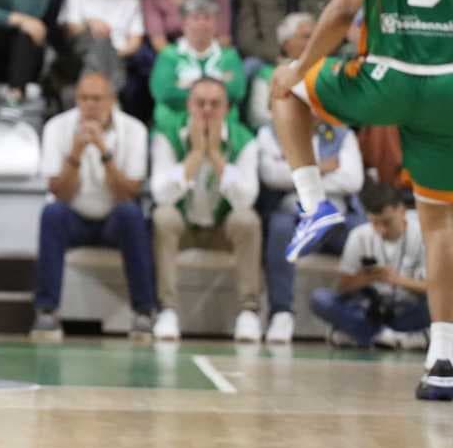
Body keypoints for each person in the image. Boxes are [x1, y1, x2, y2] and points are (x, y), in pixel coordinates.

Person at [269, 0, 453, 399]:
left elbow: (345, 6)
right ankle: (444, 362)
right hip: (446, 86)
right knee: (442, 225)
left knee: (286, 94)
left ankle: (314, 203)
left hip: (387, 75)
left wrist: (300, 63)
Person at [29, 71, 153, 342]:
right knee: (52, 213)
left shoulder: (134, 130)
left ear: (111, 100)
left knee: (132, 214)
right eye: (84, 98)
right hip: (74, 215)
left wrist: (104, 151)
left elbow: (128, 193)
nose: (90, 105)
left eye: (97, 98)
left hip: (113, 218)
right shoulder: (57, 127)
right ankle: (46, 310)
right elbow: (59, 192)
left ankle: (144, 311)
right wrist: (75, 153)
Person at [149, 78, 263, 343]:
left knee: (247, 220)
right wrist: (196, 154)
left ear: (226, 108)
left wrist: (215, 156)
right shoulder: (166, 134)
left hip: (222, 229)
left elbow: (246, 199)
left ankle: (248, 312)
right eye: (200, 103)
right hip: (184, 226)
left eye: (215, 104)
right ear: (189, 105)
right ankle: (167, 310)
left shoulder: (244, 139)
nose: (207, 110)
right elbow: (160, 194)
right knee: (162, 217)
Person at [257, 118, 363, 344]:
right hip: (295, 216)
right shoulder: (271, 133)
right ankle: (281, 313)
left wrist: (299, 172)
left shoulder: (343, 135)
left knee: (363, 234)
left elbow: (352, 180)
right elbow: (272, 176)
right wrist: (321, 167)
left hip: (337, 217)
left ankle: (364, 318)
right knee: (279, 228)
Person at [312, 181, 430, 350]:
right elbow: (341, 289)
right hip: (369, 309)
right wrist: (366, 278)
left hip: (406, 308)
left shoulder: (422, 235)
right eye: (375, 223)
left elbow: (436, 288)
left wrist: (397, 280)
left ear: (402, 211)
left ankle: (363, 336)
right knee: (320, 298)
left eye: (387, 222)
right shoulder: (359, 235)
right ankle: (393, 337)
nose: (381, 230)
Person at [59, 0, 144, 93]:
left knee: (103, 50)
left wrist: (111, 52)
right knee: (100, 44)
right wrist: (90, 24)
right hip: (83, 47)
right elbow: (72, 29)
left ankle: (92, 96)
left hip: (119, 54)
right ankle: (109, 98)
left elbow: (135, 41)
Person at [150, 0, 245, 129]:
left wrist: (186, 84)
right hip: (174, 125)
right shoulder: (168, 55)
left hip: (223, 125)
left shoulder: (229, 55)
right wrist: (218, 85)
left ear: (216, 23)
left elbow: (236, 91)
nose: (202, 23)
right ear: (183, 23)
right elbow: (164, 93)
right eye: (195, 18)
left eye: (207, 18)